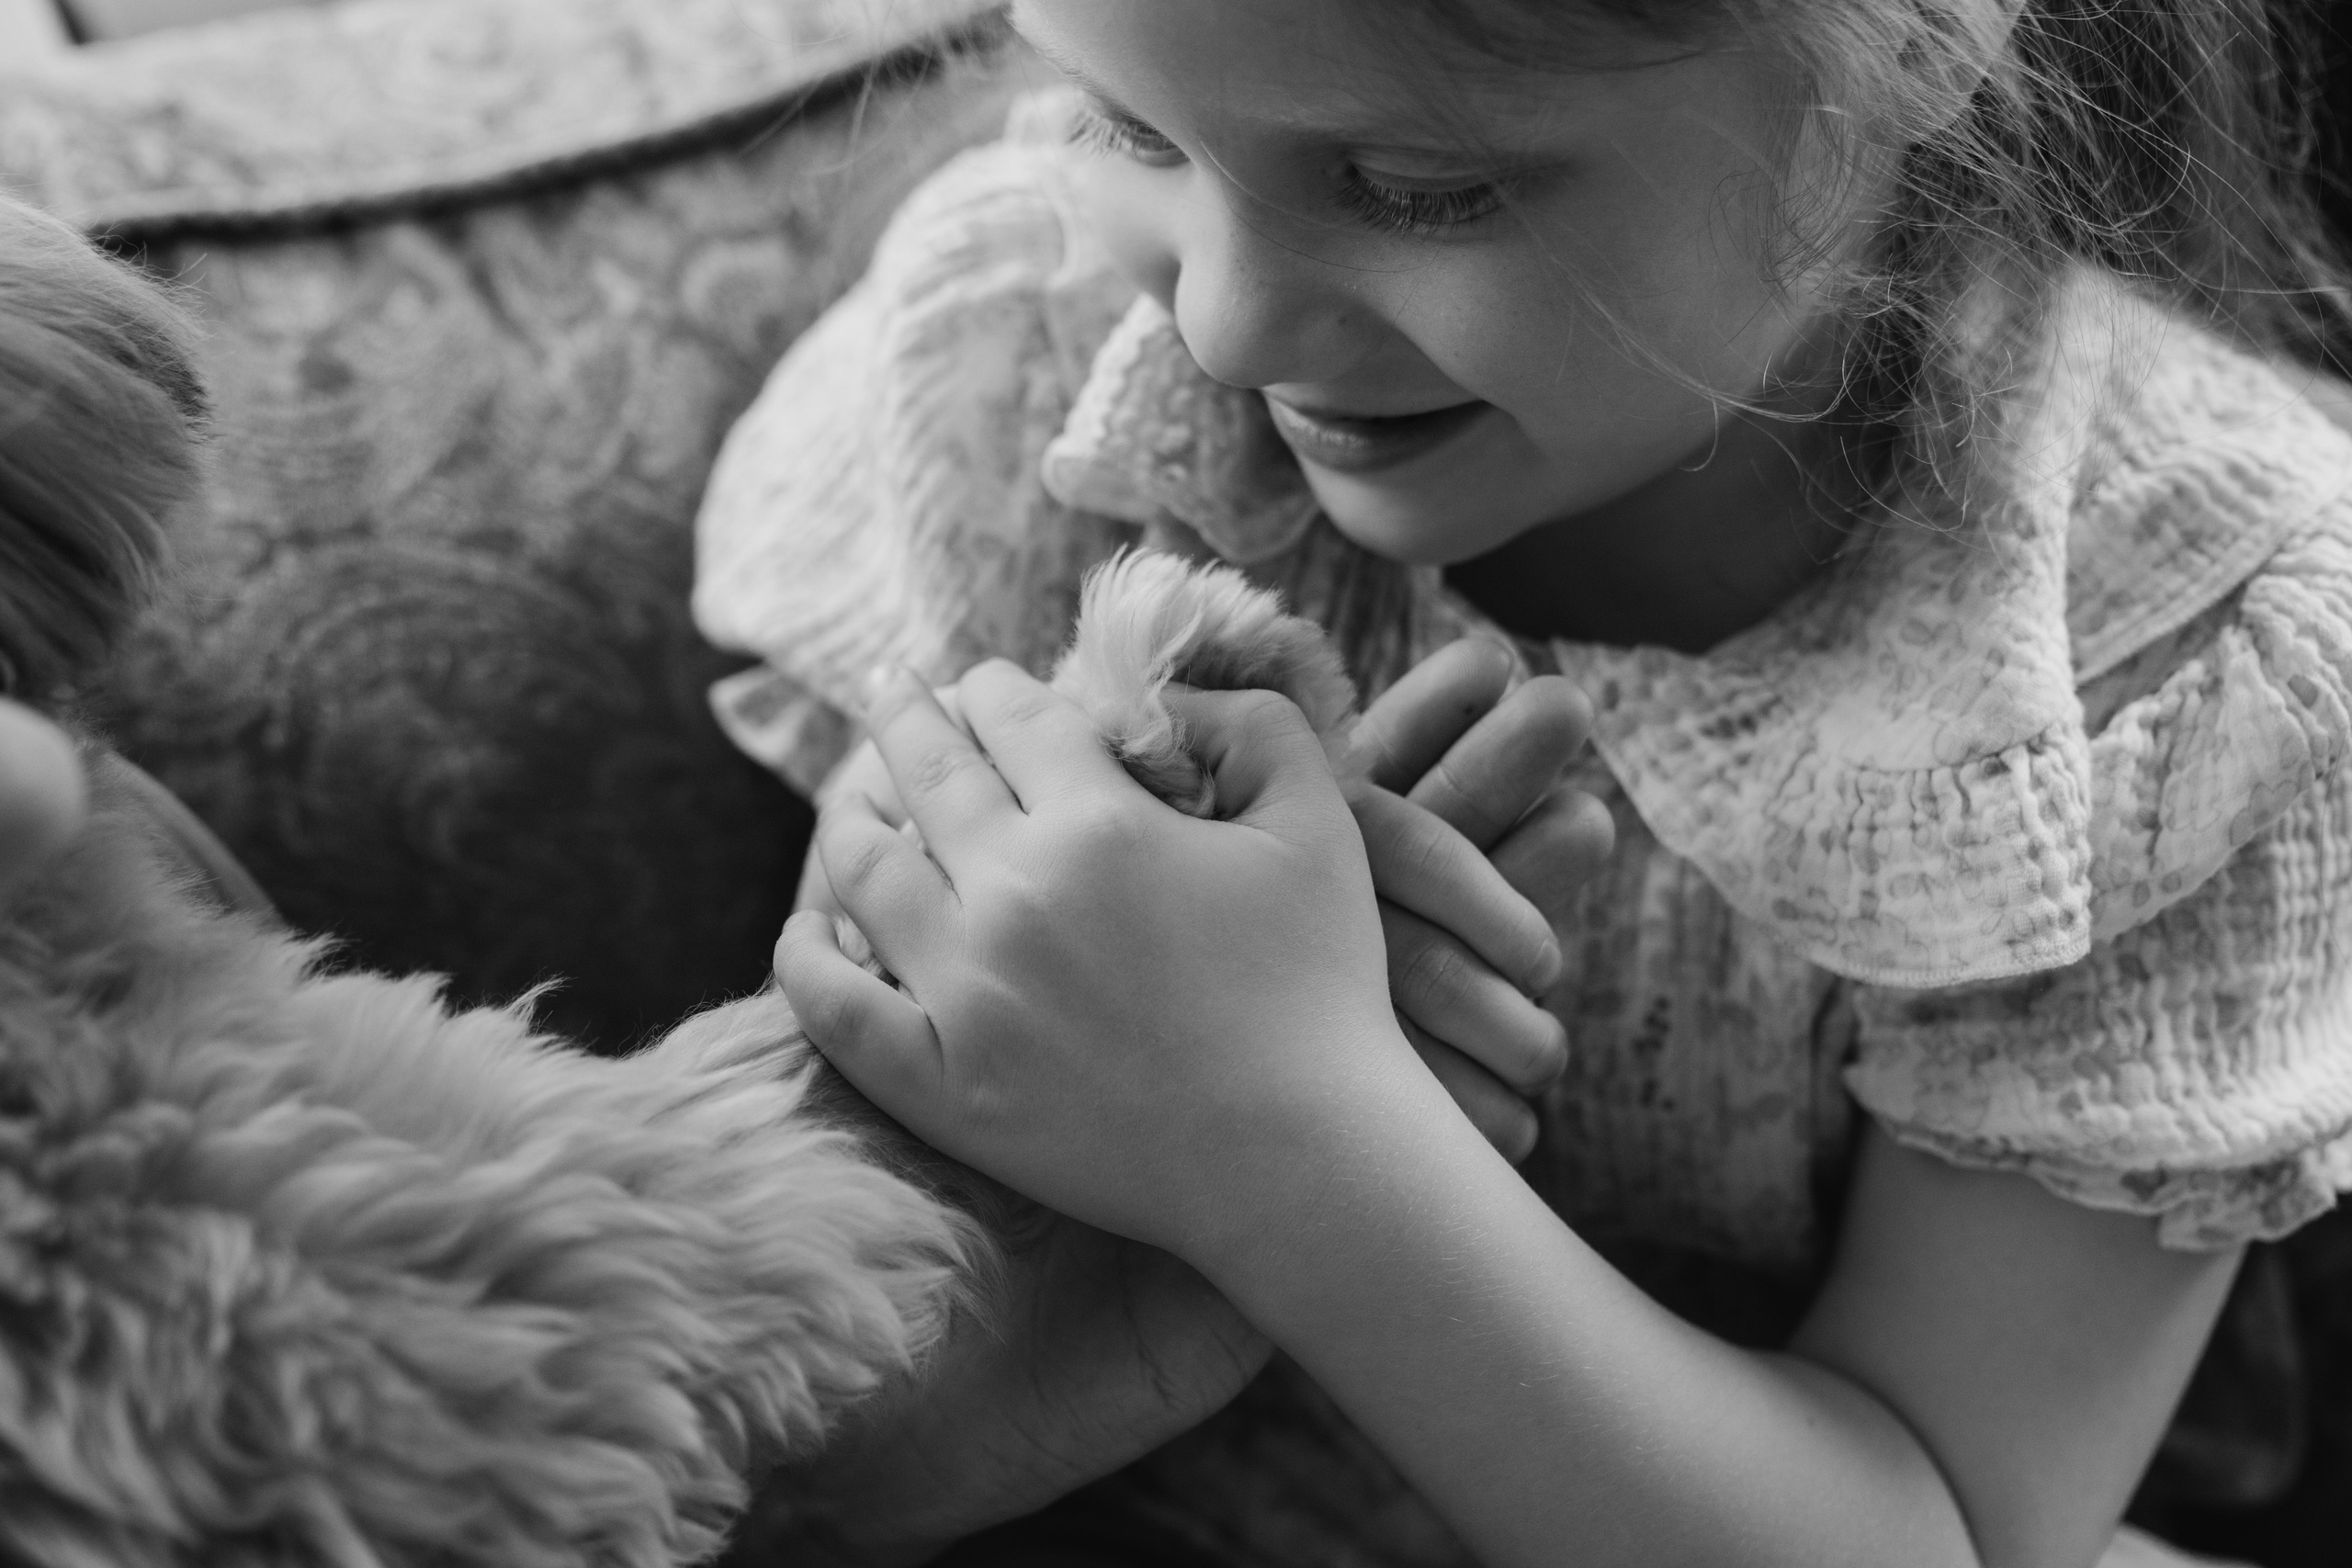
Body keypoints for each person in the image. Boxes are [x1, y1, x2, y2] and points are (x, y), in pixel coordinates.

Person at [692, 1, 2352, 1564]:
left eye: (1423, 189)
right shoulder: (1024, 355)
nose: (1221, 326)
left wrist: (1283, 1137)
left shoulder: (2177, 652)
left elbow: (1946, 1528)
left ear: (1922, 43)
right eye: (1131, 130)